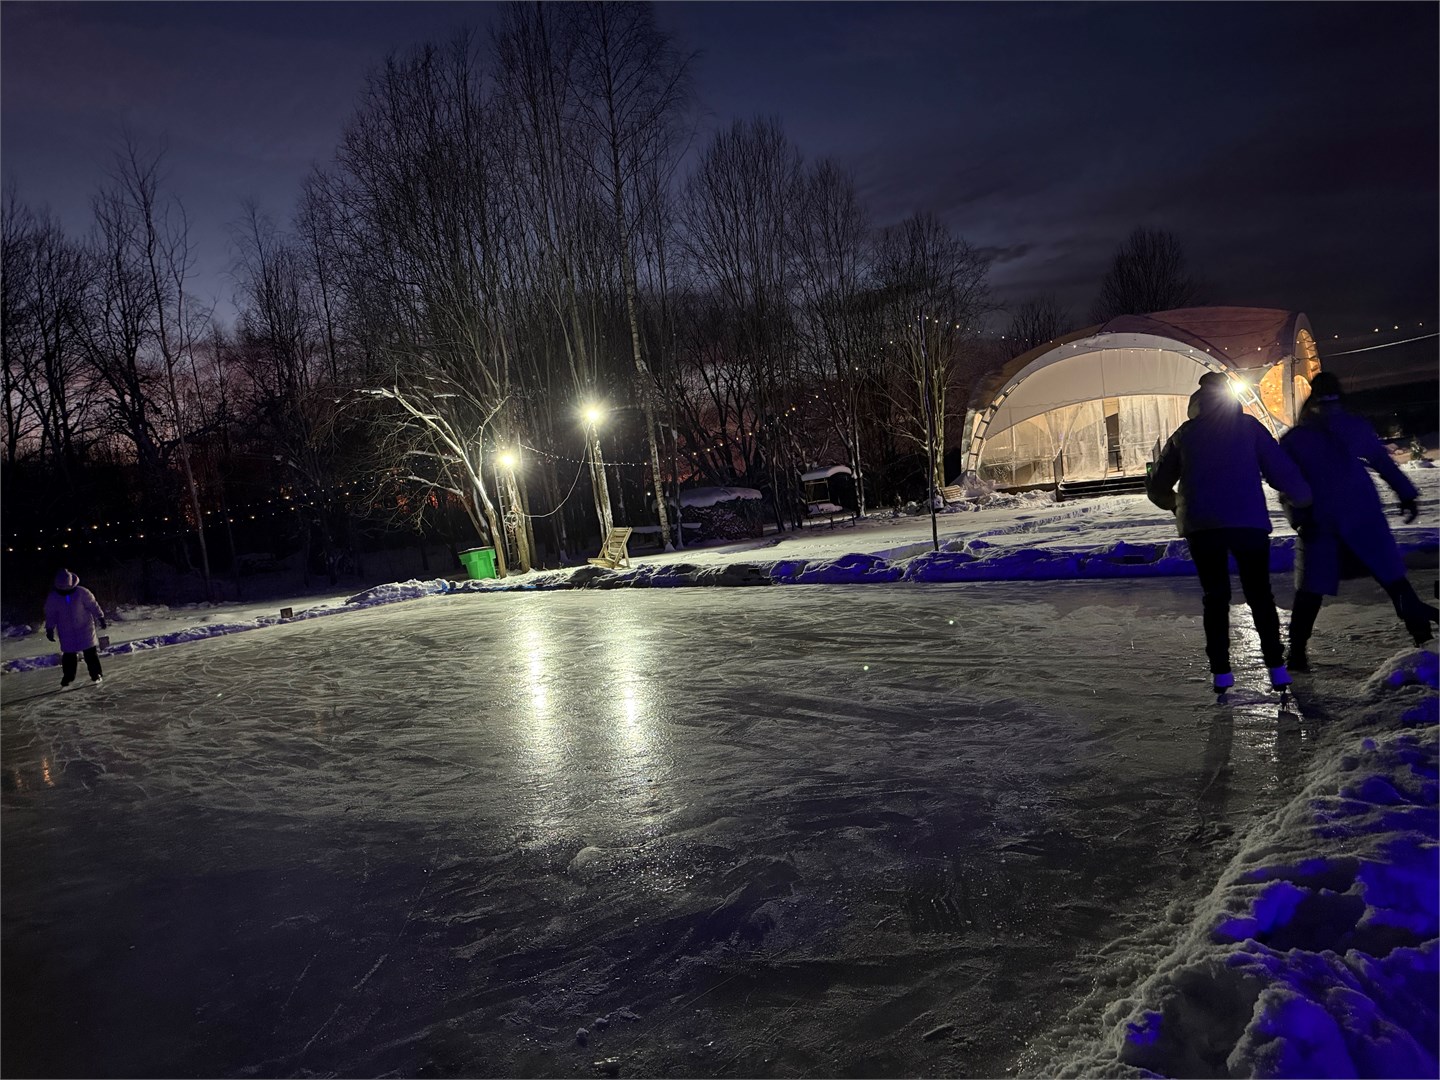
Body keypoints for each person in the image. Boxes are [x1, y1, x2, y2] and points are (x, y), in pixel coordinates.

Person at [1147, 371, 1313, 693]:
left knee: (1215, 597)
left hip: (1203, 527)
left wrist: (1176, 503)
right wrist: (1303, 497)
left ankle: (1221, 673)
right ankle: (1277, 668)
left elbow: (1157, 486)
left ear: (1197, 402)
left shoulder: (1185, 435)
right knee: (1259, 595)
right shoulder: (1250, 428)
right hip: (1247, 523)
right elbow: (1280, 469)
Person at [1278, 371, 1438, 670]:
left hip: (1320, 520)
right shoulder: (1354, 426)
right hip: (1362, 515)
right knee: (1395, 582)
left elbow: (1284, 481)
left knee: (1310, 593)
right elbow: (1381, 463)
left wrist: (1298, 517)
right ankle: (1424, 640)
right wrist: (1406, 495)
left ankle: (1297, 654)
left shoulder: (1297, 438)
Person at [43, 568, 107, 688]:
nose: (65, 592)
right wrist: (49, 628)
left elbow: (93, 605)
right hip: (66, 631)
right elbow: (50, 614)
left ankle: (96, 674)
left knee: (90, 654)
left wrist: (100, 617)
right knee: (68, 655)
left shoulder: (82, 592)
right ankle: (68, 677)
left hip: (85, 628)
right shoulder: (53, 597)